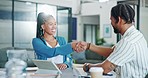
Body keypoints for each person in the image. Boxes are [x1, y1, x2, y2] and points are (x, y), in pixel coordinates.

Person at [81, 3, 148, 78]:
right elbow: (113, 52)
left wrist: (88, 67)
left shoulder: (128, 42)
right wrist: (88, 46)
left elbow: (106, 68)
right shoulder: (137, 35)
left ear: (119, 20)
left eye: (111, 20)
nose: (111, 23)